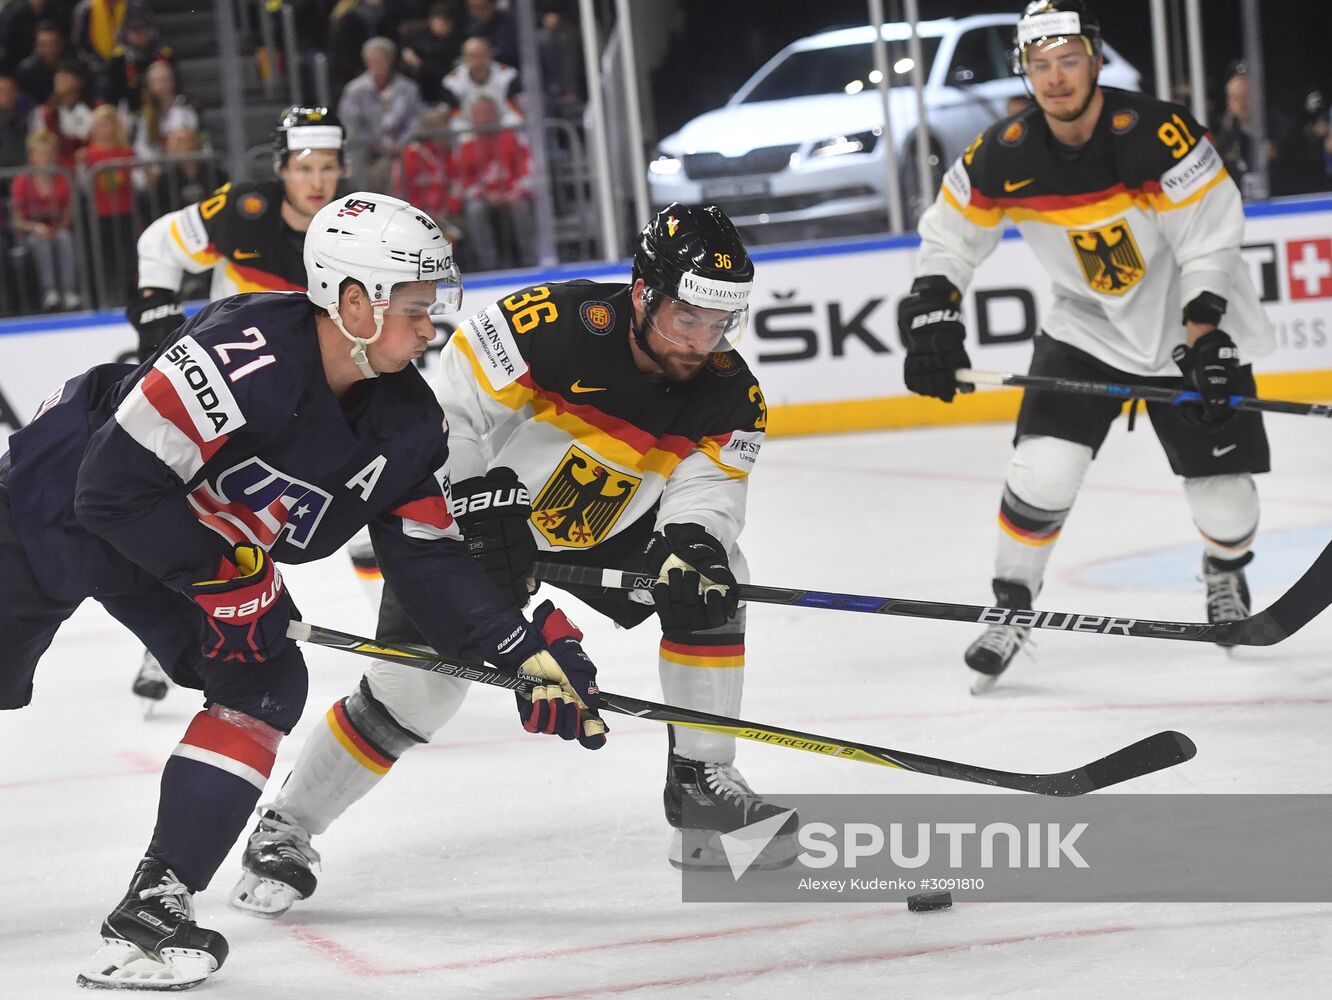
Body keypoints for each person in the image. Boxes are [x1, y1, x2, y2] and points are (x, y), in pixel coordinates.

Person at [0, 189, 607, 991]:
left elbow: (428, 561)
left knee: (263, 679)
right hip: (55, 496)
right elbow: (112, 489)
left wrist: (518, 649)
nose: (431, 327)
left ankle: (154, 910)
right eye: (416, 307)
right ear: (355, 302)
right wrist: (231, 578)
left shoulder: (408, 427)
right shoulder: (244, 346)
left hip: (177, 541)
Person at [225, 203, 793, 921]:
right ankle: (286, 829)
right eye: (689, 319)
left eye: (721, 323)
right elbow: (449, 412)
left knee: (717, 580)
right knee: (414, 694)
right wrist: (475, 503)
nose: (703, 341)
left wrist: (694, 538)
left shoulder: (732, 394)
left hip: (604, 524)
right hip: (478, 517)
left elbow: (709, 485)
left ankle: (701, 780)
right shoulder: (546, 323)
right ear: (645, 291)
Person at [897, 0, 1274, 694]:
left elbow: (1210, 237)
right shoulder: (1002, 152)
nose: (1056, 78)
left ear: (1094, 61)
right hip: (1085, 328)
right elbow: (948, 238)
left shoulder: (1159, 133)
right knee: (1040, 474)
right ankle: (1011, 606)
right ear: (1026, 72)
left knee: (1226, 505)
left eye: (1069, 60)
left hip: (1187, 334)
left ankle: (1224, 570)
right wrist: (931, 313)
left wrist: (1205, 333)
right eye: (1041, 65)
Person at [127, 106, 345, 702]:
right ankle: (162, 648)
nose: (317, 181)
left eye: (328, 167)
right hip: (222, 397)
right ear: (281, 169)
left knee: (357, 508)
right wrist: (158, 319)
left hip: (303, 399)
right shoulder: (242, 211)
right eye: (305, 167)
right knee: (203, 523)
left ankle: (406, 643)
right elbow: (158, 242)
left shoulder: (349, 230)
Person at [455, 93, 533, 270]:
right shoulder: (466, 145)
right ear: (472, 118)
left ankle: (530, 259)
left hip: (512, 193)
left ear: (497, 114)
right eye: (479, 113)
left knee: (520, 205)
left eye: (488, 112)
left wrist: (516, 191)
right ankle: (488, 263)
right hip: (484, 197)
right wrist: (484, 194)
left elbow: (526, 168)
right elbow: (463, 182)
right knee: (475, 209)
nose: (484, 117)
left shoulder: (511, 138)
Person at [337, 35, 422, 191]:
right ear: (366, 62)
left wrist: (402, 143)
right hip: (367, 148)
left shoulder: (408, 88)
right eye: (374, 60)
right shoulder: (355, 91)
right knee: (356, 160)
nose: (379, 65)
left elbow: (415, 120)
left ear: (391, 61)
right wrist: (377, 144)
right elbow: (350, 125)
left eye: (383, 60)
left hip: (401, 147)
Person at [9, 126, 79, 310]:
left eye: (49, 152)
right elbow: (17, 221)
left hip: (58, 229)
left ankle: (69, 292)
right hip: (30, 233)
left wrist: (60, 227)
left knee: (64, 238)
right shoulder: (22, 181)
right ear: (32, 156)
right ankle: (50, 292)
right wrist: (36, 227)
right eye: (40, 153)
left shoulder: (62, 178)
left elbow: (68, 215)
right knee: (41, 241)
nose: (45, 157)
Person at [442, 34, 522, 128]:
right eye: (473, 56)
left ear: (490, 55)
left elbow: (515, 109)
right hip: (468, 126)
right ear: (464, 58)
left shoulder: (508, 76)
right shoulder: (452, 82)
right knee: (456, 126)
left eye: (482, 55)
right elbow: (454, 115)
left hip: (502, 123)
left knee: (515, 121)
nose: (478, 61)